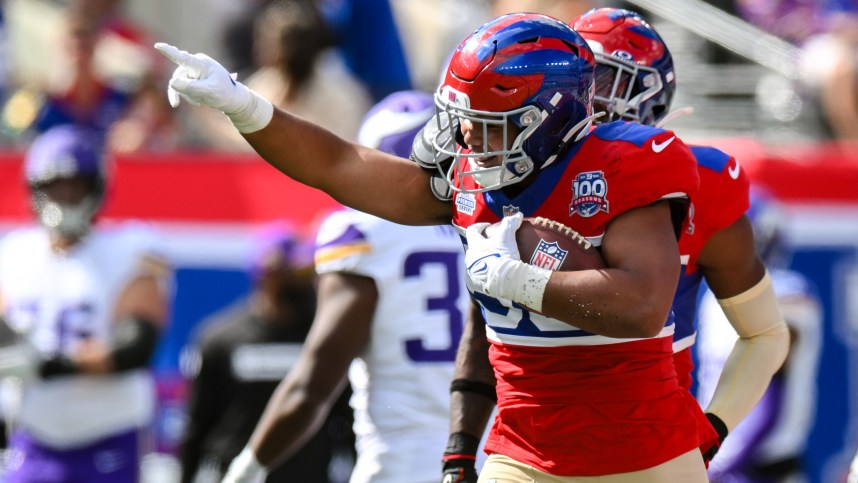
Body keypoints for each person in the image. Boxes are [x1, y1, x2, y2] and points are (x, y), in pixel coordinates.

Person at [156, 12, 717, 481]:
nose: (469, 140)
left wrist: (516, 280)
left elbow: (642, 306)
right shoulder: (471, 179)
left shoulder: (627, 163)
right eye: (464, 121)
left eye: (489, 123)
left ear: (553, 117)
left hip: (642, 450)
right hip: (522, 450)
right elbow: (340, 163)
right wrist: (242, 105)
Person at [569, 6, 792, 465]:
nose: (585, 96)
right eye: (578, 79)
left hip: (651, 447)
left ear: (648, 92)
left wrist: (713, 430)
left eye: (604, 81)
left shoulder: (702, 180)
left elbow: (767, 332)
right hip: (534, 441)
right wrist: (462, 446)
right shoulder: (525, 172)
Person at [218, 90, 475, 483]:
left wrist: (247, 468)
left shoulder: (364, 232)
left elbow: (313, 386)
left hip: (402, 467)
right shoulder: (491, 225)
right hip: (489, 463)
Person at [0, 124, 171, 483]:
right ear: (35, 190)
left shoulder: (131, 248)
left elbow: (134, 346)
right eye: (55, 187)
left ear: (96, 188)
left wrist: (49, 365)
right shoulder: (14, 254)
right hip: (33, 438)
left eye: (75, 187)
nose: (64, 198)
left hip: (107, 437)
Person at [178, 222, 354, 483]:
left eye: (308, 272)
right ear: (266, 275)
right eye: (293, 273)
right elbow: (197, 426)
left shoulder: (325, 337)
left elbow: (347, 420)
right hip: (237, 476)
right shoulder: (220, 339)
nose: (307, 281)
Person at [696, 188, 822, 483]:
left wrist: (721, 462)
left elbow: (767, 391)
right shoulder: (716, 294)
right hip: (730, 458)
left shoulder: (784, 292)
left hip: (758, 467)